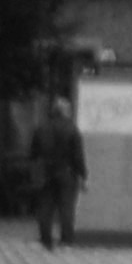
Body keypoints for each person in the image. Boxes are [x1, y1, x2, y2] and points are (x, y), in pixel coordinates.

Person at [29, 98, 85, 251]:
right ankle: (66, 241)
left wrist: (37, 169)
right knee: (66, 207)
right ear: (66, 112)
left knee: (45, 206)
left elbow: (33, 153)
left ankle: (45, 240)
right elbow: (78, 156)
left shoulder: (41, 128)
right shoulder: (72, 129)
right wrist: (83, 175)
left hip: (46, 172)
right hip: (67, 173)